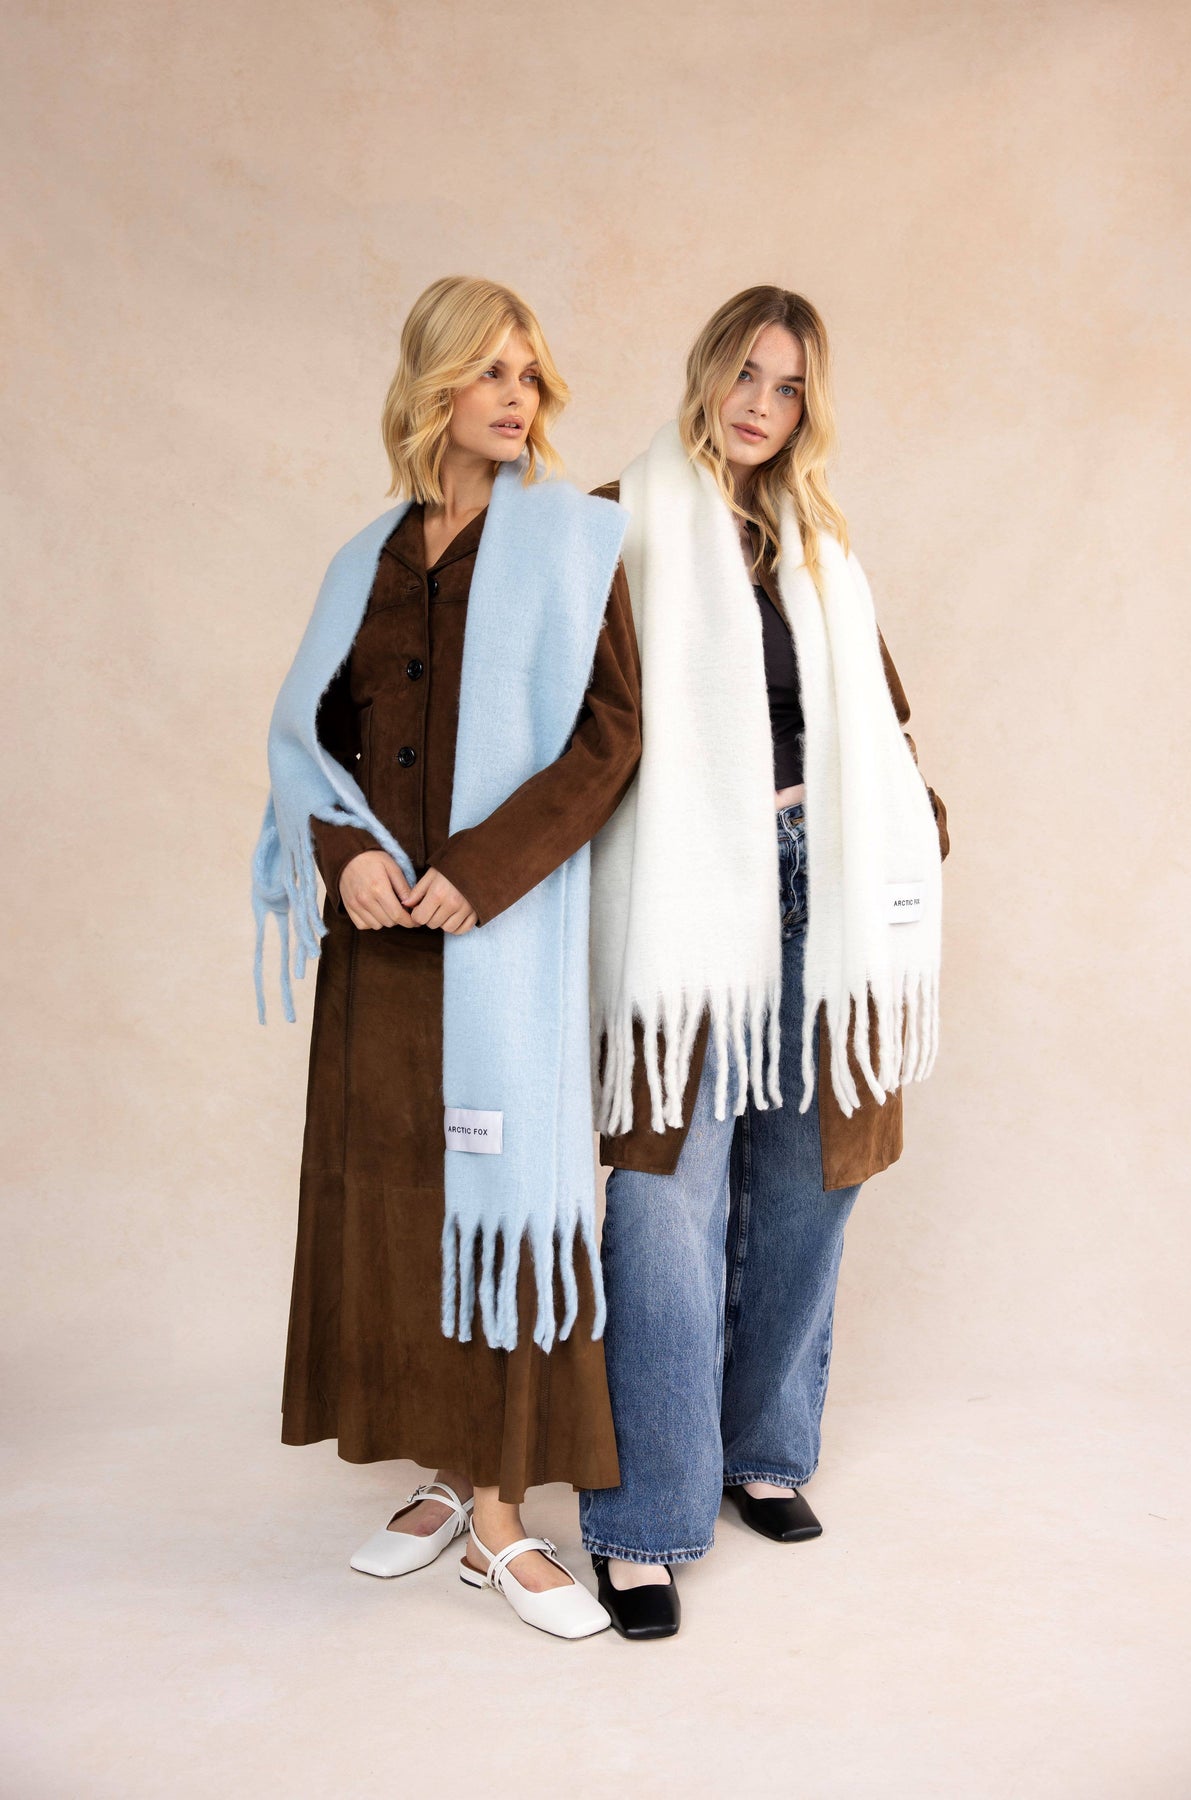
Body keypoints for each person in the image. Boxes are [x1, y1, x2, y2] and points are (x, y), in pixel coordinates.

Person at [252, 275, 640, 1640]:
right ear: (433, 386)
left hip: (502, 937)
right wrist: (338, 855)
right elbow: (311, 743)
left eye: (529, 372)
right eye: (489, 371)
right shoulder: (363, 561)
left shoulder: (575, 542)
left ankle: (499, 1516)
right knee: (400, 1207)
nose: (516, 396)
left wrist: (481, 872)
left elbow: (608, 737)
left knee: (505, 1207)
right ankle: (437, 1468)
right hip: (380, 954)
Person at [580, 285, 949, 1639]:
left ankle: (763, 1453)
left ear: (807, 408)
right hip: (685, 903)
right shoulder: (616, 522)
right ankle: (643, 1520)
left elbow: (878, 712)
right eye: (744, 373)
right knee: (661, 1201)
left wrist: (921, 819)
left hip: (824, 895)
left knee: (807, 1182)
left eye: (787, 386)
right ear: (706, 373)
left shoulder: (816, 544)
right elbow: (580, 734)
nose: (759, 404)